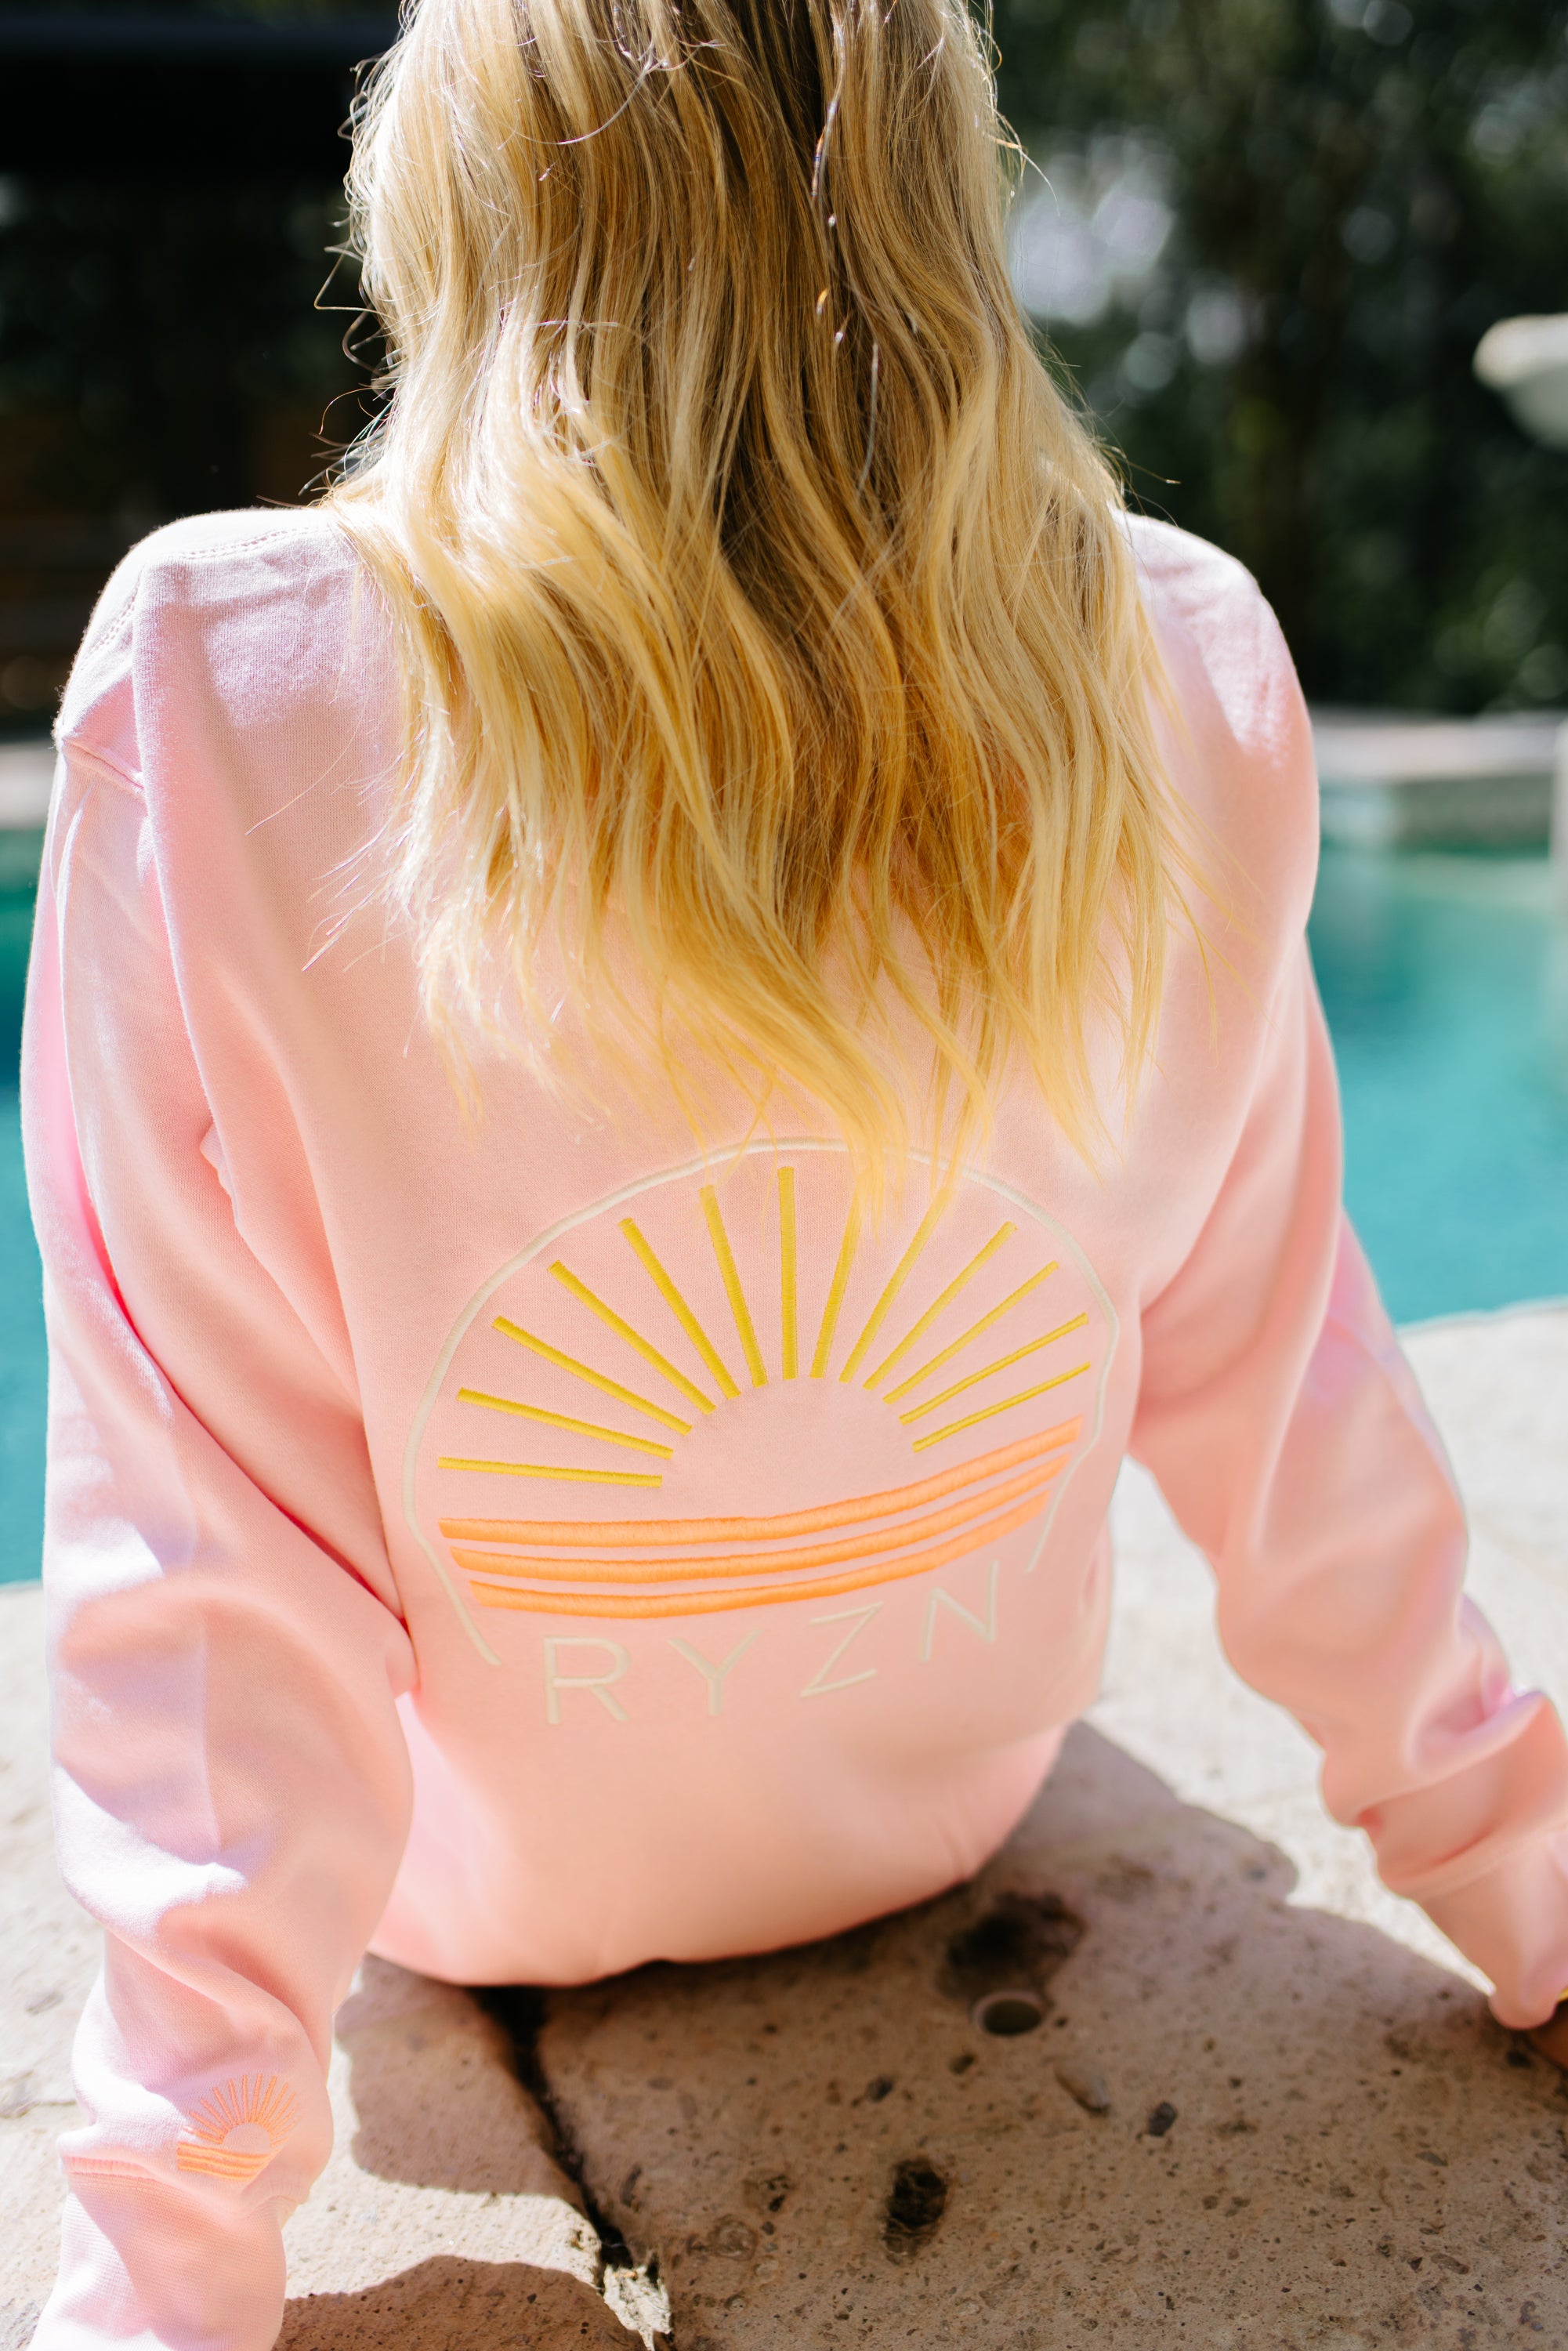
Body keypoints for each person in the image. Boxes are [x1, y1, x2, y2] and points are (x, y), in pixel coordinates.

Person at [22, 0, 1568, 2342]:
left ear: (468, 176)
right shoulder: (1181, 659)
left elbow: (207, 1539)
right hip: (948, 1793)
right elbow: (1285, 1384)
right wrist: (1528, 1879)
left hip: (473, 1893)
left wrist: (163, 2256)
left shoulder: (226, 686)